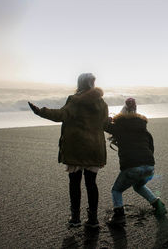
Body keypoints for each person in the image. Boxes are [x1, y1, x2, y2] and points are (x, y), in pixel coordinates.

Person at [28, 73, 108, 228]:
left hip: (77, 147)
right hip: (95, 148)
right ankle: (93, 219)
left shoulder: (75, 100)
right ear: (92, 83)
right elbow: (105, 123)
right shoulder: (101, 103)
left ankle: (75, 218)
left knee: (74, 182)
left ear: (80, 83)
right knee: (91, 183)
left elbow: (61, 115)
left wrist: (40, 111)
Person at [105, 98, 167, 226]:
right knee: (138, 186)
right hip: (149, 166)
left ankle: (119, 216)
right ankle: (158, 205)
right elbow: (151, 149)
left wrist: (108, 119)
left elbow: (104, 126)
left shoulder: (120, 127)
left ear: (121, 115)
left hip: (132, 167)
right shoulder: (144, 130)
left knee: (116, 190)